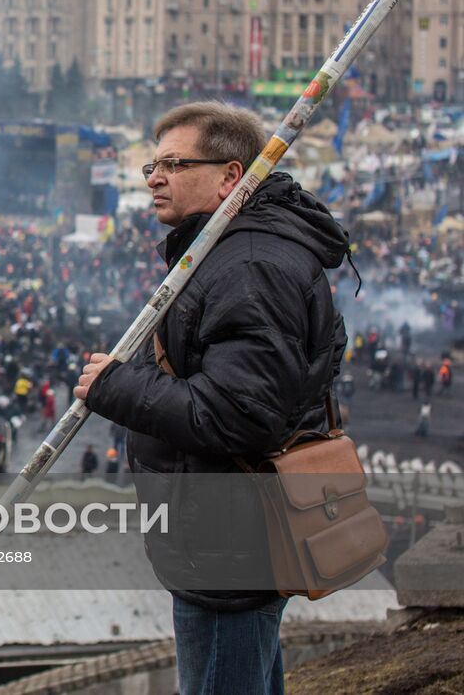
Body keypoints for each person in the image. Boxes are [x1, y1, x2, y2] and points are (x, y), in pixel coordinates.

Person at [77, 102, 349, 695]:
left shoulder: (247, 263)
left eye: (174, 163)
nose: (153, 176)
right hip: (225, 537)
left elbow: (237, 417)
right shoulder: (224, 251)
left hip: (231, 543)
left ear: (231, 176)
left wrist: (115, 387)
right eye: (152, 163)